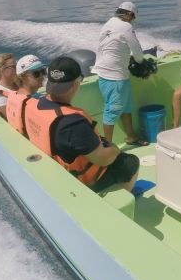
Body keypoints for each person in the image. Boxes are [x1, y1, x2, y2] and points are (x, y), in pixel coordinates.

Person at [24, 56, 140, 192]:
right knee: (130, 162)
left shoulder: (38, 104)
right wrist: (115, 149)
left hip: (58, 172)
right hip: (82, 181)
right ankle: (123, 196)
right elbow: (103, 159)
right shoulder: (72, 123)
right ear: (75, 84)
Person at [93, 1, 148, 145]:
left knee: (126, 107)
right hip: (115, 77)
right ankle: (108, 147)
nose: (133, 20)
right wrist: (140, 61)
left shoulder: (109, 23)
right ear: (129, 14)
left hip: (106, 73)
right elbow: (138, 54)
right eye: (133, 17)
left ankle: (131, 137)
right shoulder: (126, 27)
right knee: (111, 112)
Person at [5, 54, 47, 135]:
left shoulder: (15, 95)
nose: (42, 76)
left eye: (43, 71)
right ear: (22, 77)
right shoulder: (33, 105)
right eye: (36, 74)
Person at [0, 53, 19, 119]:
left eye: (17, 65)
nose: (17, 68)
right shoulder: (1, 98)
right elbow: (13, 119)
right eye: (13, 66)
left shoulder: (17, 84)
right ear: (2, 70)